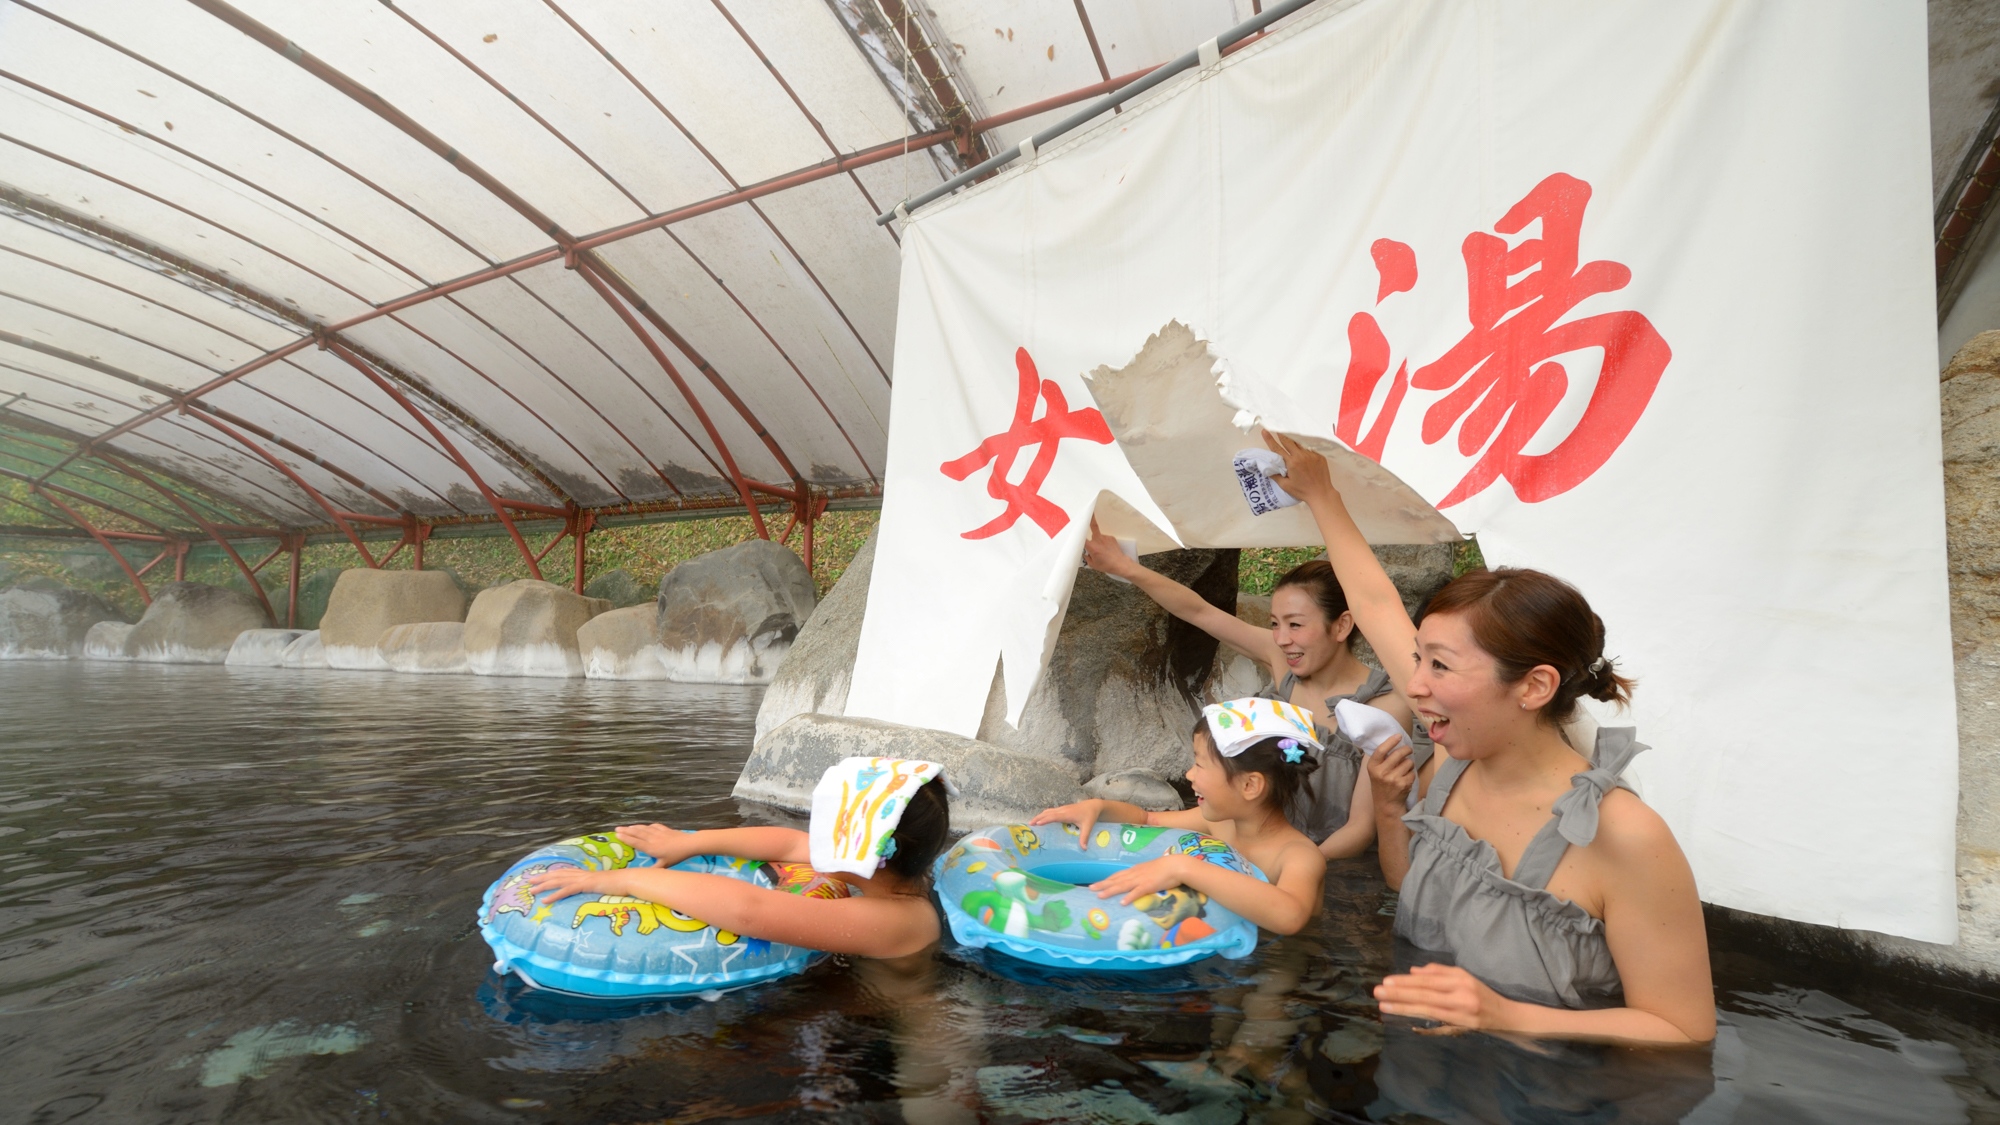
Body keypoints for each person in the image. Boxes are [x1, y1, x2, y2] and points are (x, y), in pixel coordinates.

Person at [1263, 431, 1715, 1044]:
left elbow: (1684, 1028)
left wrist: (1504, 1016)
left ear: (1533, 687)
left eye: (1440, 667)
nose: (1413, 687)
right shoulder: (1451, 763)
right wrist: (1320, 493)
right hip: (1422, 1077)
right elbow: (1373, 601)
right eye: (1417, 659)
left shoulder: (1625, 835)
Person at [1080, 523, 1430, 858]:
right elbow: (1199, 611)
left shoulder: (1383, 707)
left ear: (1341, 625)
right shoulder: (1281, 662)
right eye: (1275, 624)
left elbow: (1361, 829)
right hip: (1261, 850)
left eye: (1295, 624)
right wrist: (1126, 568)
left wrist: (1294, 867)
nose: (1282, 639)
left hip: (1329, 868)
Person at [527, 759, 952, 960]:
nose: (813, 839)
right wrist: (689, 843)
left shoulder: (898, 919)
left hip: (908, 1044)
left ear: (865, 856)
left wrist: (618, 882)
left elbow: (749, 911)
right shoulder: (894, 871)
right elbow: (787, 845)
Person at [1029, 697, 1328, 935]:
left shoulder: (1298, 856)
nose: (1189, 775)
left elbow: (1290, 916)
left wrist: (1184, 868)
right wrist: (1099, 807)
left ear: (1249, 785)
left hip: (1284, 963)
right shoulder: (1217, 824)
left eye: (1199, 765)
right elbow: (1149, 821)